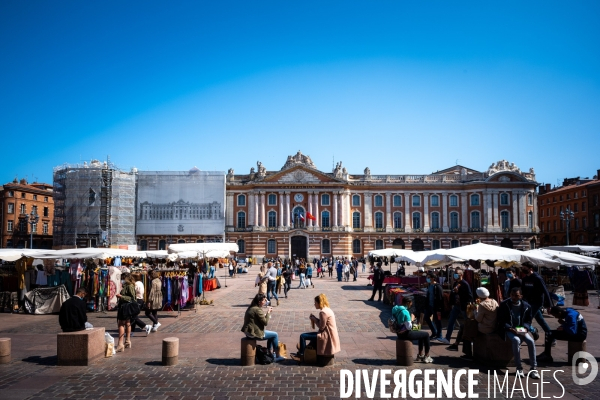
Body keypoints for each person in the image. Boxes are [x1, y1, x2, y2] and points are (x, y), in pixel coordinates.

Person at [497, 288, 540, 379]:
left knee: (530, 341)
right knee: (516, 340)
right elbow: (501, 320)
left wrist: (525, 328)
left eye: (516, 295)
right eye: (512, 295)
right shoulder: (505, 304)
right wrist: (510, 328)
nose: (513, 297)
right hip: (509, 328)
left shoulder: (526, 306)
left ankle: (533, 368)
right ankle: (519, 367)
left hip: (520, 328)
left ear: (521, 296)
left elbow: (528, 320)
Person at [241, 293, 285, 362]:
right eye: (264, 300)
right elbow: (265, 322)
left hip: (248, 332)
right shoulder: (257, 310)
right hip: (253, 333)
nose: (265, 302)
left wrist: (265, 315)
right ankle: (277, 355)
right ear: (259, 301)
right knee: (275, 335)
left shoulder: (252, 307)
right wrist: (268, 313)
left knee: (271, 334)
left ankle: (269, 353)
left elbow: (257, 317)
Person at [295, 294, 341, 359]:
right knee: (311, 340)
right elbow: (324, 323)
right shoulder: (327, 309)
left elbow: (321, 327)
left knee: (302, 336)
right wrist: (315, 318)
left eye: (315, 302)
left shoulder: (323, 312)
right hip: (330, 334)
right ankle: (303, 349)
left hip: (326, 335)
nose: (314, 304)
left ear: (320, 303)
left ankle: (301, 355)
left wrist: (314, 320)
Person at [440, 267, 473, 348]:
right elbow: (453, 294)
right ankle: (447, 338)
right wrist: (451, 302)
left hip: (463, 306)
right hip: (456, 306)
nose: (454, 275)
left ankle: (469, 339)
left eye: (456, 273)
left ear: (461, 275)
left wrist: (459, 292)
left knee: (467, 323)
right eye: (454, 273)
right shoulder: (455, 283)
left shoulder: (465, 284)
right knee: (451, 321)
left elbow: (469, 296)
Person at [393, 296, 434, 363]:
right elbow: (409, 327)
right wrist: (412, 319)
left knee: (420, 332)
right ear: (408, 303)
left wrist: (416, 327)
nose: (411, 305)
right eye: (411, 303)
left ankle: (420, 354)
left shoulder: (396, 309)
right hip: (406, 333)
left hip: (399, 332)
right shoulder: (405, 312)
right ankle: (427, 356)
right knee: (426, 335)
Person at [521, 263, 553, 344]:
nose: (523, 269)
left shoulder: (537, 278)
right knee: (540, 320)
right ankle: (552, 338)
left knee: (523, 320)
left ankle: (519, 339)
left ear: (530, 269)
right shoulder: (525, 279)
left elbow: (545, 291)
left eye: (525, 267)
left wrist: (549, 305)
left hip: (537, 302)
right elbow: (523, 292)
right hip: (528, 302)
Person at [115, 273, 137, 352]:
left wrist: (121, 297)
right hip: (125, 307)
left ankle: (120, 344)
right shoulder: (128, 286)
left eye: (123, 278)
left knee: (121, 324)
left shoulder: (129, 286)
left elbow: (132, 298)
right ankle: (127, 341)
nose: (122, 280)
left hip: (125, 307)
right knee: (128, 323)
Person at [424, 273, 444, 341]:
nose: (427, 279)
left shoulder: (437, 287)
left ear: (432, 278)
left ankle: (439, 335)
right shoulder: (429, 285)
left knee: (437, 321)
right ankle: (434, 332)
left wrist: (439, 308)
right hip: (429, 305)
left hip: (436, 307)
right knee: (426, 317)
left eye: (429, 277)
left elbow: (440, 298)